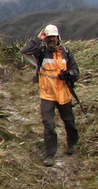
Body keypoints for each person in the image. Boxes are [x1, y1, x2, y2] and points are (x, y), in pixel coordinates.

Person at [21, 24, 80, 167]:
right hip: (47, 94)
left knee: (69, 122)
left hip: (64, 93)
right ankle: (50, 154)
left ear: (58, 37)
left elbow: (76, 71)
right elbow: (25, 51)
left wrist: (70, 74)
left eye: (53, 37)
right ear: (45, 38)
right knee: (49, 125)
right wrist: (38, 38)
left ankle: (72, 144)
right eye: (49, 37)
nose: (51, 40)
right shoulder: (40, 52)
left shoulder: (66, 52)